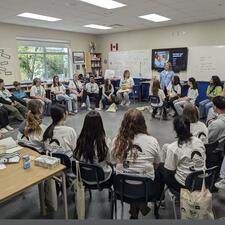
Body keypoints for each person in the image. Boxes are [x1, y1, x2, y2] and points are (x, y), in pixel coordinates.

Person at [111, 109, 163, 219]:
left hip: (123, 187)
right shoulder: (152, 141)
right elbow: (157, 164)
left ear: (124, 123)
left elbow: (113, 161)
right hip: (146, 188)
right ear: (143, 123)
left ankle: (134, 210)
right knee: (158, 171)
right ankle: (144, 204)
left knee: (126, 173)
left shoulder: (117, 141)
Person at [159, 116, 205, 193]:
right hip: (201, 181)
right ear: (189, 127)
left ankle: (160, 196)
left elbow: (170, 170)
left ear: (175, 129)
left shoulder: (173, 148)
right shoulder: (199, 141)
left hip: (184, 185)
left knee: (160, 167)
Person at [74, 110, 112, 183]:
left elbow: (77, 156)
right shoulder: (105, 141)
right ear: (100, 124)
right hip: (101, 178)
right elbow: (109, 160)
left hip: (83, 176)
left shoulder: (80, 139)